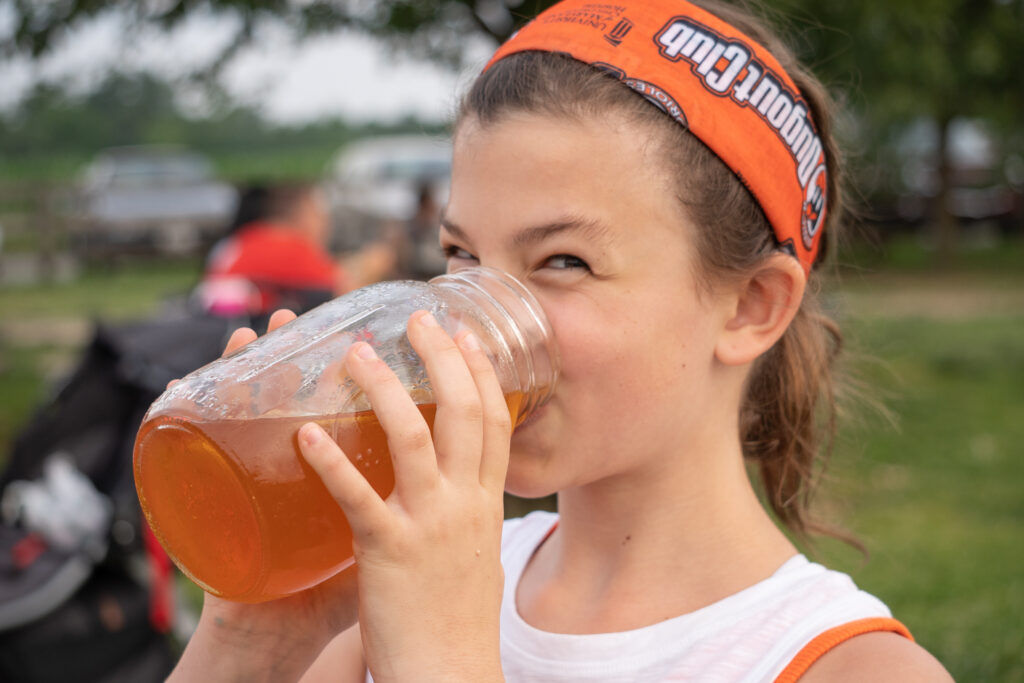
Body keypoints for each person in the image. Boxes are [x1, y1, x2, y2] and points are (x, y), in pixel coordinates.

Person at [168, 0, 954, 680]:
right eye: (461, 257)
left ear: (751, 305)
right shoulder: (393, 590)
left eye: (564, 261)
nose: (464, 326)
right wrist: (250, 645)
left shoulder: (844, 666)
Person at [200, 182, 395, 316]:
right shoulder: (287, 245)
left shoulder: (252, 237)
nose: (326, 222)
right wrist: (373, 262)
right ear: (303, 213)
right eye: (319, 212)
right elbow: (348, 292)